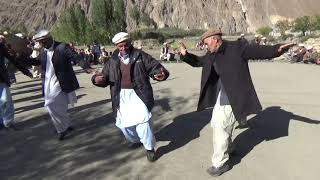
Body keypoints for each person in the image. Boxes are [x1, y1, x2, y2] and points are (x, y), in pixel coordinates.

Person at [178, 29, 294, 176]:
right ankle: (229, 148)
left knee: (220, 125)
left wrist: (276, 49)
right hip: (222, 95)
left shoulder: (237, 47)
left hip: (235, 95)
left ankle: (220, 163)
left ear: (215, 40)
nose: (205, 46)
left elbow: (257, 51)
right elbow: (199, 62)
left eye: (206, 43)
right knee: (217, 123)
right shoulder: (211, 53)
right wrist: (186, 55)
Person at [92, 32, 169, 162]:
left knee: (143, 123)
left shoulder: (141, 56)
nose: (123, 49)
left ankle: (149, 148)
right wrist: (97, 80)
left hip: (139, 95)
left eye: (125, 45)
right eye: (120, 46)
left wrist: (160, 74)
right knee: (124, 125)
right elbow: (104, 77)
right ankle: (135, 140)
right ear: (116, 46)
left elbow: (156, 68)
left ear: (129, 43)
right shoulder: (112, 60)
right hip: (120, 96)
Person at [27, 30, 80, 140]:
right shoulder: (43, 51)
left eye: (42, 42)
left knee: (50, 104)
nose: (41, 45)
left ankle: (62, 129)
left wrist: (88, 68)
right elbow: (38, 63)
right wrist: (27, 56)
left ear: (48, 39)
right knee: (61, 106)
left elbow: (75, 57)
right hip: (48, 83)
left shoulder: (62, 47)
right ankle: (66, 124)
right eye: (40, 43)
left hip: (61, 81)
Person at [0, 34, 33, 130]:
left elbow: (13, 60)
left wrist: (25, 71)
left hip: (1, 79)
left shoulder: (1, 46)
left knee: (6, 100)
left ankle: (8, 123)